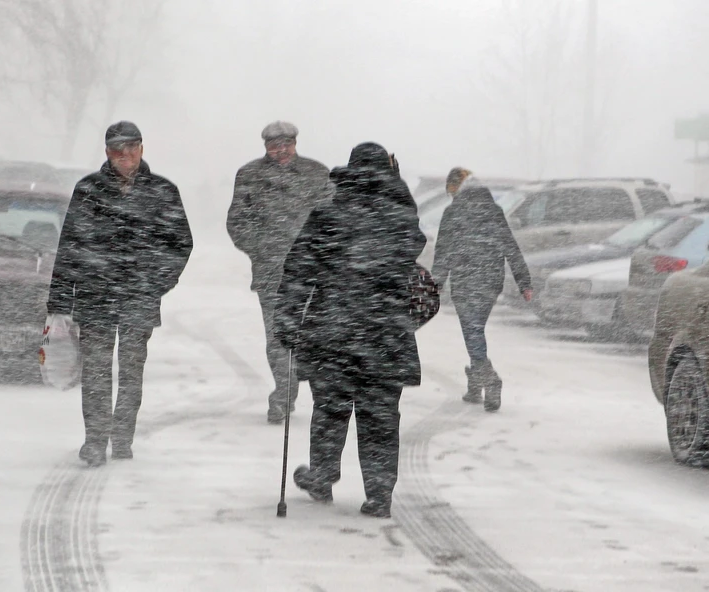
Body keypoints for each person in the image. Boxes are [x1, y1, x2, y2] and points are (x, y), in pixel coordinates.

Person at [274, 142, 426, 518]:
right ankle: (378, 493)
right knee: (381, 417)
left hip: (333, 328)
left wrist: (288, 319)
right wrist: (395, 179)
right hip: (385, 331)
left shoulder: (327, 217)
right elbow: (412, 243)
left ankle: (323, 476)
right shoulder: (401, 219)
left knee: (330, 407)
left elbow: (297, 272)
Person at [46, 121, 194, 467]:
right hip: (95, 294)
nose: (125, 156)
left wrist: (156, 282)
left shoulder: (162, 191)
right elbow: (69, 246)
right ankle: (95, 440)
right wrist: (59, 301)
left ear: (142, 148)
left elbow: (181, 244)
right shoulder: (88, 190)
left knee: (131, 369)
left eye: (131, 148)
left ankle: (123, 437)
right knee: (96, 369)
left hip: (139, 296)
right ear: (107, 152)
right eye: (117, 150)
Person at [226, 121, 331, 423]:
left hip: (313, 273)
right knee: (277, 337)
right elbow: (237, 222)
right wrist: (262, 248)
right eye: (274, 145)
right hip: (271, 271)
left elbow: (333, 219)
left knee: (311, 336)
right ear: (265, 146)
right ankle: (283, 395)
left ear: (296, 143)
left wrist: (319, 250)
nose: (281, 150)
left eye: (287, 143)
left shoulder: (317, 173)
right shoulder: (250, 175)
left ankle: (310, 392)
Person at [432, 168, 532, 412]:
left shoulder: (453, 212)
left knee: (472, 331)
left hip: (466, 280)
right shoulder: (493, 210)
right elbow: (510, 245)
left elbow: (443, 250)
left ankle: (490, 380)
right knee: (474, 330)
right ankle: (475, 385)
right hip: (490, 281)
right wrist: (524, 281)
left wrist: (436, 283)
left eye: (451, 191)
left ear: (456, 188)